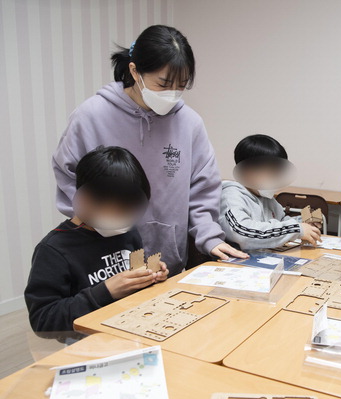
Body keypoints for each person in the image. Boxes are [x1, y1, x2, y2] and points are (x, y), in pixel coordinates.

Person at [52, 25, 246, 276]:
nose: (172, 94)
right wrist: (98, 220)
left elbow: (203, 188)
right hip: (104, 256)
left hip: (166, 259)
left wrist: (210, 237)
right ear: (135, 71)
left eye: (181, 85)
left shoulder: (190, 123)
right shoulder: (91, 116)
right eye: (163, 84)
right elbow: (68, 175)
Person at [25, 147, 169, 332]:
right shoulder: (54, 250)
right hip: (86, 340)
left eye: (128, 212)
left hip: (131, 328)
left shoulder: (126, 231)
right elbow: (42, 319)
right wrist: (105, 292)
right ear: (86, 200)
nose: (123, 220)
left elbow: (134, 288)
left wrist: (149, 277)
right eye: (116, 212)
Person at [219, 134, 322, 250]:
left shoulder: (265, 196)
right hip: (235, 258)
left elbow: (281, 221)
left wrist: (303, 222)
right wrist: (296, 229)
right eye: (271, 173)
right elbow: (242, 234)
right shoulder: (231, 196)